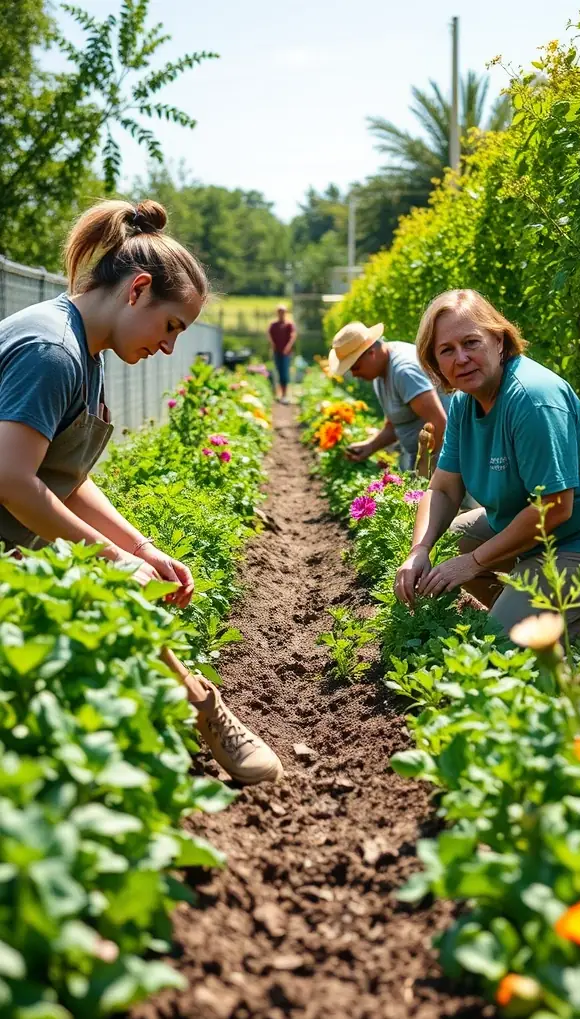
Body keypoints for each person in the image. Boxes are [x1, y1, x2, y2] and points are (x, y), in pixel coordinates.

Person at [0, 198, 283, 785]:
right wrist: (112, 561)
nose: (170, 345)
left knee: (110, 588)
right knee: (99, 596)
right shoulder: (53, 351)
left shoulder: (86, 348)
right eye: (172, 325)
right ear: (137, 290)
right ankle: (192, 715)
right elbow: (9, 478)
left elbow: (64, 478)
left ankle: (195, 709)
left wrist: (141, 549)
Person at [393, 290, 580, 638]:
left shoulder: (532, 399)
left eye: (471, 342)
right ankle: (529, 609)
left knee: (504, 645)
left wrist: (474, 562)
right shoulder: (466, 403)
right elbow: (444, 488)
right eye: (446, 350)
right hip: (537, 533)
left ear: (498, 340)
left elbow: (554, 507)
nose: (461, 358)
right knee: (451, 541)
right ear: (436, 364)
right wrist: (419, 550)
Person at [328, 321, 450, 471]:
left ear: (371, 353)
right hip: (416, 457)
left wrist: (426, 471)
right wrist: (370, 446)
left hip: (443, 462)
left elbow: (439, 424)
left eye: (355, 367)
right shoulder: (380, 369)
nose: (354, 374)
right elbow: (395, 423)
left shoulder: (404, 372)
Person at [268, 304, 296, 404]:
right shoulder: (273, 325)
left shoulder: (289, 325)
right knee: (277, 372)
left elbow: (293, 336)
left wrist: (287, 348)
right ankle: (278, 393)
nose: (281, 314)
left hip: (285, 353)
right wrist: (273, 346)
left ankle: (284, 394)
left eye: (283, 312)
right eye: (279, 312)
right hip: (276, 352)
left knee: (284, 373)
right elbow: (270, 335)